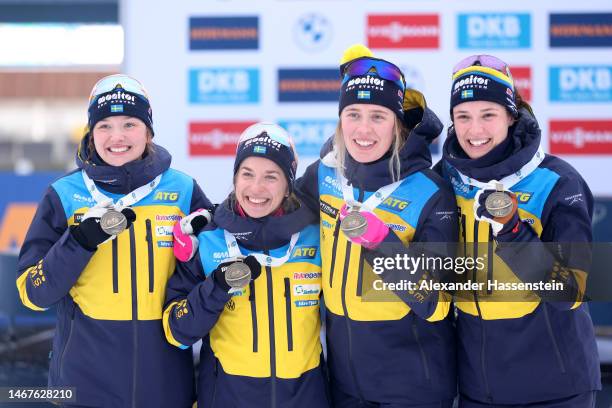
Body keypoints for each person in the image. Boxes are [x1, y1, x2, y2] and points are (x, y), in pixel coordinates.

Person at [16, 74, 213, 408]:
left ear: (148, 131)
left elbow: (211, 270)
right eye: (104, 125)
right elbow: (33, 293)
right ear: (91, 134)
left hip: (165, 387)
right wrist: (78, 242)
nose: (117, 137)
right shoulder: (63, 195)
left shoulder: (183, 191)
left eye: (129, 124)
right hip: (83, 387)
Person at [295, 44, 458, 407]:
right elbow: (273, 218)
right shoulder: (324, 175)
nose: (363, 129)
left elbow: (435, 302)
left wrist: (382, 244)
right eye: (353, 114)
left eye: (378, 117)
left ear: (397, 124)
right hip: (345, 382)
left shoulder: (431, 192)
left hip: (414, 387)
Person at [435, 54, 601, 407]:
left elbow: (569, 292)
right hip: (478, 390)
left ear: (511, 116)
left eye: (488, 115)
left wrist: (512, 230)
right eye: (463, 116)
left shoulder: (558, 181)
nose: (474, 131)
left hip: (556, 389)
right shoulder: (444, 179)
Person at [163, 123, 330, 408]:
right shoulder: (208, 240)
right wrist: (215, 288)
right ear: (235, 178)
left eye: (271, 177)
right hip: (228, 397)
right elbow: (176, 332)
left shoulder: (317, 236)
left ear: (288, 183)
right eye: (247, 174)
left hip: (305, 397)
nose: (256, 188)